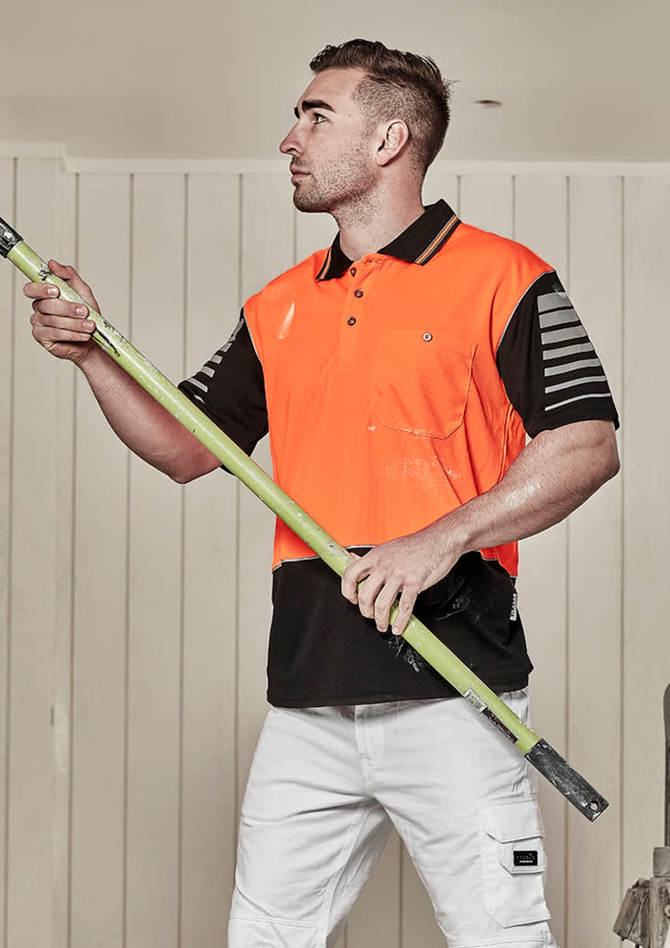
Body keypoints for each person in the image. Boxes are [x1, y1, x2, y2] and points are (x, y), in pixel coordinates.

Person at [25, 39, 619, 948]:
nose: (287, 138)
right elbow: (186, 448)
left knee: (501, 939)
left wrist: (442, 537)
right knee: (264, 938)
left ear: (389, 139)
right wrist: (93, 354)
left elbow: (585, 445)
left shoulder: (505, 276)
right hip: (306, 696)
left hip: (452, 691)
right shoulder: (279, 306)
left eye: (315, 115)